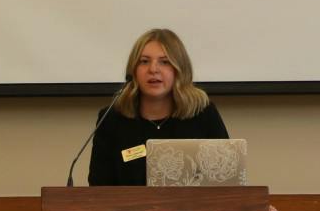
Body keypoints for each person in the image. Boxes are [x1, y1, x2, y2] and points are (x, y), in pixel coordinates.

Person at [87, 28, 230, 187]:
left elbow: (226, 179)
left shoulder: (203, 114)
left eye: (164, 62)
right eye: (144, 61)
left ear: (179, 69)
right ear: (133, 71)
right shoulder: (112, 119)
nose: (153, 69)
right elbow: (99, 187)